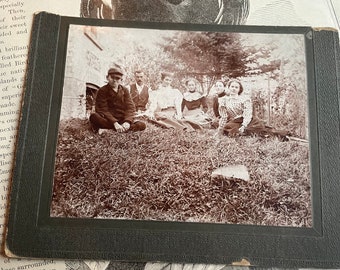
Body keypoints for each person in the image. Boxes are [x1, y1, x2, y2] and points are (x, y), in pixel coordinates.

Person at [216, 78, 289, 140]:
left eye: (236, 87)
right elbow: (224, 116)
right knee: (226, 128)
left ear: (239, 89)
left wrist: (244, 125)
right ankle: (243, 133)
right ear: (228, 87)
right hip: (235, 121)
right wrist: (220, 129)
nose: (234, 89)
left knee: (253, 129)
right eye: (232, 87)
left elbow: (247, 114)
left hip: (247, 120)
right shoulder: (224, 100)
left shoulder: (244, 99)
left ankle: (279, 136)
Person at [89, 67, 146, 134]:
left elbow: (130, 107)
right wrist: (114, 123)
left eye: (117, 78)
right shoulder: (102, 90)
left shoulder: (125, 90)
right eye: (112, 77)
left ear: (121, 80)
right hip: (108, 119)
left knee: (142, 125)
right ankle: (119, 129)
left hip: (122, 119)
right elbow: (103, 109)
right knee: (94, 117)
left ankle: (109, 131)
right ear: (107, 77)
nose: (115, 80)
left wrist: (127, 121)